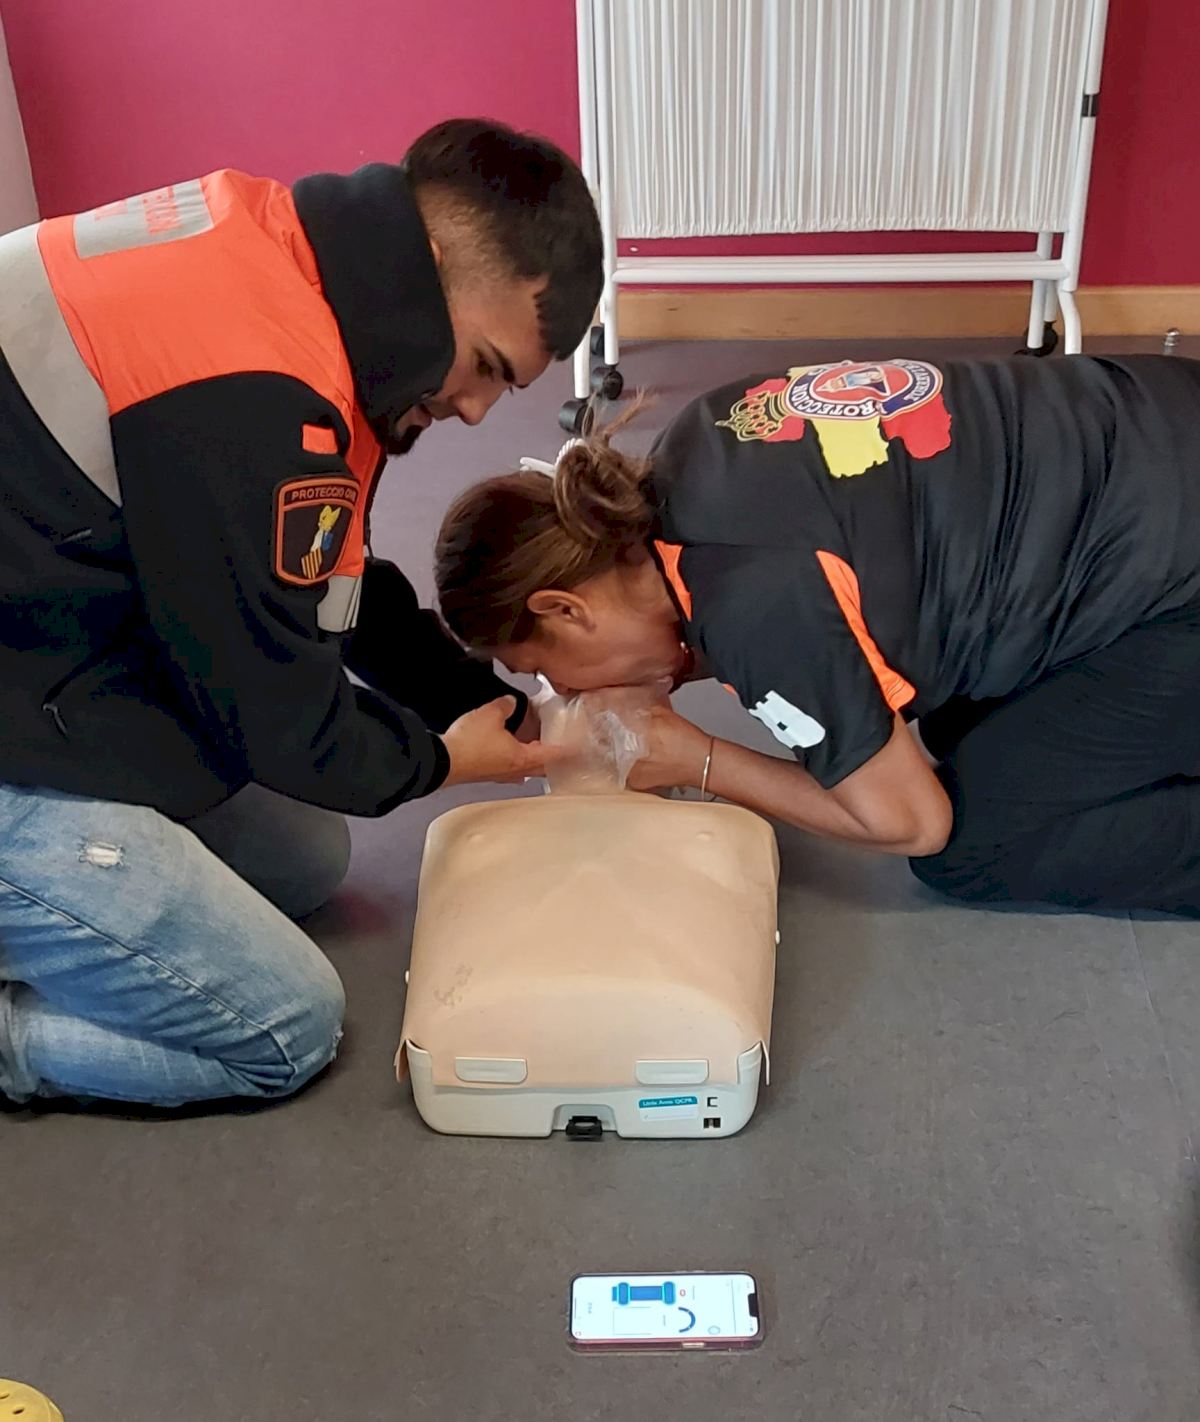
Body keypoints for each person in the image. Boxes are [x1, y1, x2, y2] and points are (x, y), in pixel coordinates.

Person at [0, 118, 602, 1107]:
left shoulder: (297, 275)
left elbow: (321, 578)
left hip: (45, 627)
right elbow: (282, 721)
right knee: (283, 1027)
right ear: (431, 264)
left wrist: (471, 698)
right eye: (489, 366)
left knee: (305, 861)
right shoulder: (250, 386)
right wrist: (444, 762)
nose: (478, 410)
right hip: (18, 713)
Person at [436, 354, 1200, 918]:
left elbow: (912, 823)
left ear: (566, 608)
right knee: (958, 730)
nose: (563, 689)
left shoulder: (751, 604)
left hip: (1177, 589)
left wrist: (697, 757)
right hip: (1158, 410)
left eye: (543, 668)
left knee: (974, 849)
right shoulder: (696, 440)